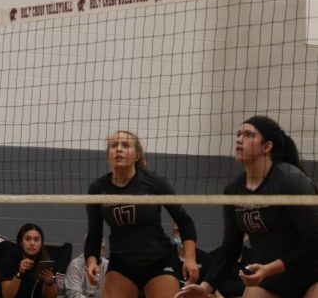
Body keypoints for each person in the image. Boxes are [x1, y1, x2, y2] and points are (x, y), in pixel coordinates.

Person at [175, 117, 318, 298]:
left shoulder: (291, 181)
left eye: (248, 134)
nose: (239, 139)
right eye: (239, 134)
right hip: (271, 282)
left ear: (267, 146)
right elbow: (230, 248)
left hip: (311, 277)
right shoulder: (234, 189)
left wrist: (269, 269)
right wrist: (205, 287)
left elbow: (314, 241)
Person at [85, 131, 198, 298]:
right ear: (108, 154)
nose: (119, 149)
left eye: (125, 145)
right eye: (114, 146)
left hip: (158, 261)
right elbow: (95, 231)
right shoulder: (97, 189)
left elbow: (184, 220)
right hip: (122, 264)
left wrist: (190, 258)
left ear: (137, 155)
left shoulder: (153, 182)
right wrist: (92, 262)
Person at [0, 223, 58, 298]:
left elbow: (52, 297)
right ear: (21, 242)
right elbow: (7, 296)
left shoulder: (45, 262)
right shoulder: (10, 259)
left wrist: (50, 283)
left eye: (36, 240)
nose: (32, 243)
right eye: (27, 239)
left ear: (41, 243)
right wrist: (19, 273)